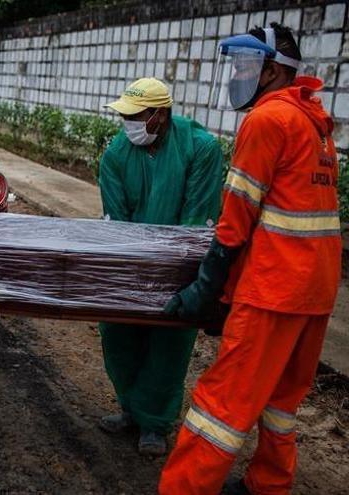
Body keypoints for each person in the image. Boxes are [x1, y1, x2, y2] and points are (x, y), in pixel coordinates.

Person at [159, 23, 341, 494]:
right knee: (281, 400)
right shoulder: (316, 125)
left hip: (275, 290)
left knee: (224, 402)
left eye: (244, 64)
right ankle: (269, 484)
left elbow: (238, 215)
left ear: (271, 71)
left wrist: (207, 284)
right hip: (316, 290)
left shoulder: (267, 121)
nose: (237, 74)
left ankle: (184, 487)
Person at [97, 77, 223, 456]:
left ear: (160, 116)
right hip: (129, 264)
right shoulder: (117, 154)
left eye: (137, 116)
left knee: (168, 342)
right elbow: (116, 220)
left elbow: (195, 219)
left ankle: (154, 422)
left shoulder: (201, 148)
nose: (128, 123)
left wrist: (173, 275)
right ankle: (130, 409)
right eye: (126, 116)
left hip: (179, 267)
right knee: (118, 333)